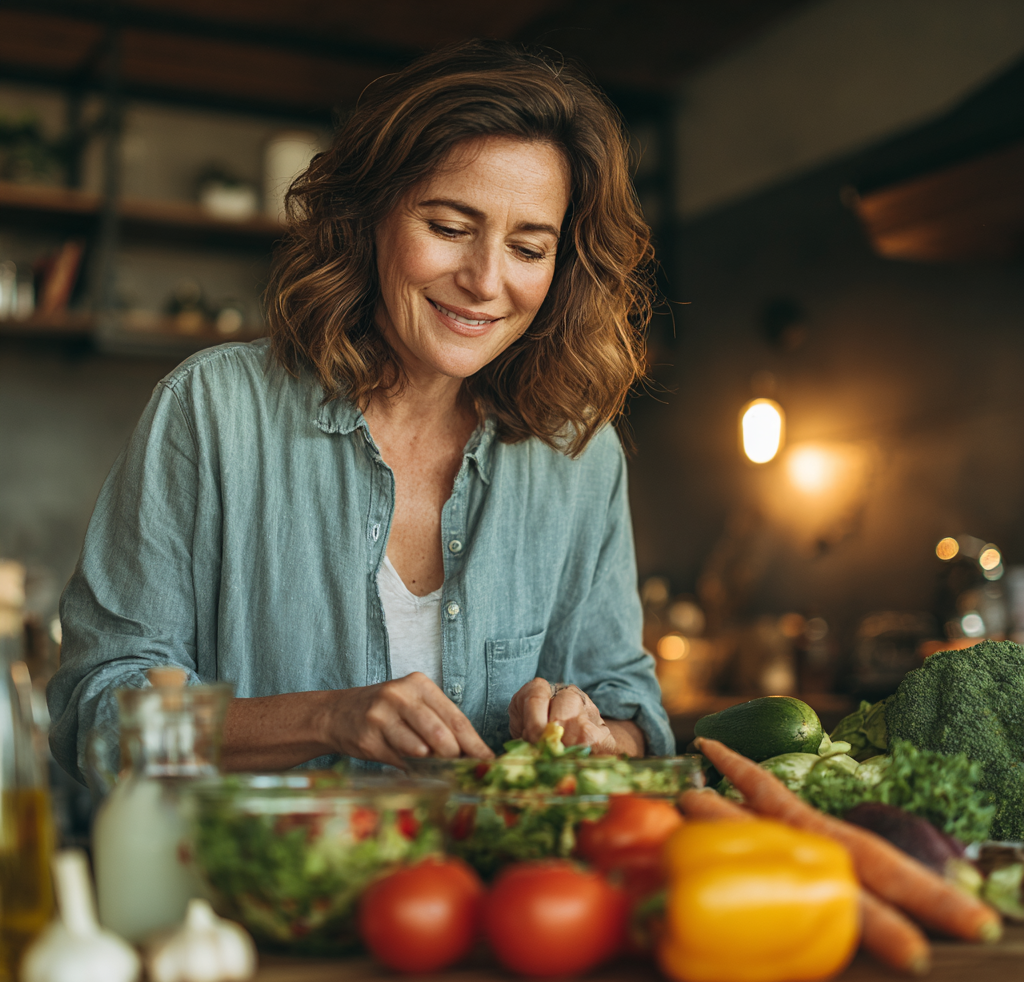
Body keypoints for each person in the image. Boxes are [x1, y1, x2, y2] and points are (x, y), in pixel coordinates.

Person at [48, 40, 674, 781]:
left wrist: (594, 733)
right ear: (369, 216)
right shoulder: (213, 411)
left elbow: (630, 706)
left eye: (529, 248)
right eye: (447, 228)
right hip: (255, 888)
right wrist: (326, 717)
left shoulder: (577, 451)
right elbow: (97, 719)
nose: (484, 281)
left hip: (487, 894)